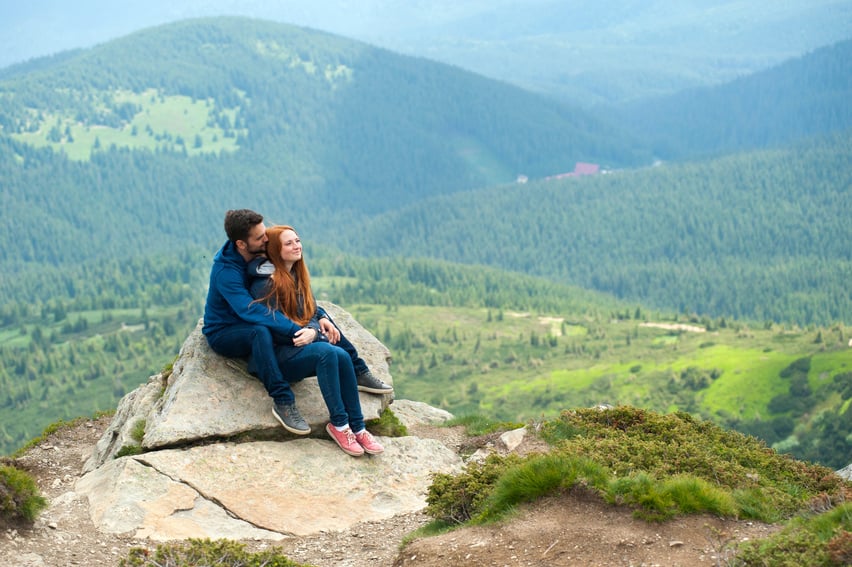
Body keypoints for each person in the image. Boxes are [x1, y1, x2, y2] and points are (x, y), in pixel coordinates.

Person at [247, 224, 389, 457]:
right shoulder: (265, 283)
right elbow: (274, 326)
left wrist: (319, 321)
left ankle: (358, 426)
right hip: (277, 356)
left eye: (298, 240)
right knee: (327, 352)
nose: (297, 246)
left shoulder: (295, 275)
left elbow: (310, 310)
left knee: (341, 355)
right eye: (289, 243)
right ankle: (340, 425)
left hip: (296, 349)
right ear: (274, 248)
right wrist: (317, 334)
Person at [202, 209, 313, 436]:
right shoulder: (226, 272)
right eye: (260, 237)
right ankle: (283, 401)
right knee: (259, 332)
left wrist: (317, 319)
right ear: (242, 244)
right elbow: (249, 310)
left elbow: (292, 287)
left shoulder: (257, 254)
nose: (266, 239)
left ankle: (356, 367)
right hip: (225, 331)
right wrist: (295, 329)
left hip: (251, 322)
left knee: (275, 330)